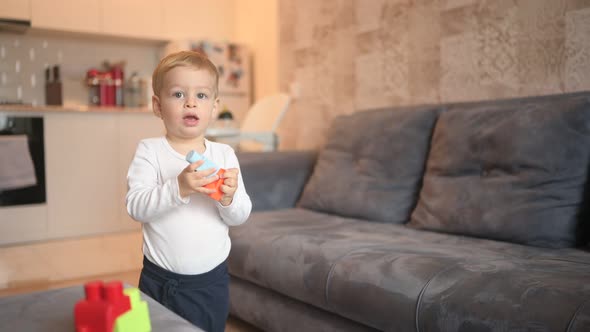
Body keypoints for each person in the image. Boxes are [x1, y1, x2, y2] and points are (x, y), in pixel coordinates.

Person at [125, 50, 252, 332]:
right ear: (158, 106)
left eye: (202, 96)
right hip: (160, 281)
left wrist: (229, 199)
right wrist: (178, 188)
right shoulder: (150, 151)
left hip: (211, 283)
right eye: (179, 94)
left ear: (215, 106)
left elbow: (240, 215)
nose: (191, 102)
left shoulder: (225, 154)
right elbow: (135, 206)